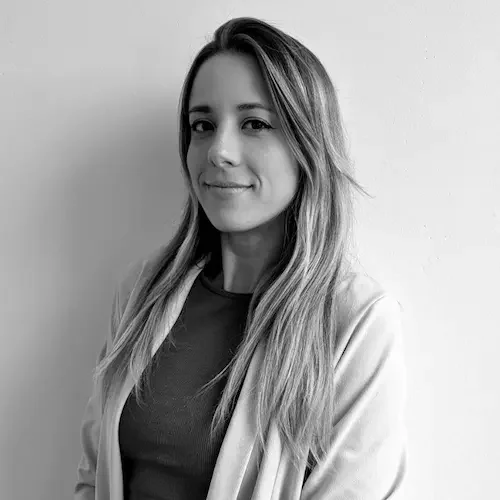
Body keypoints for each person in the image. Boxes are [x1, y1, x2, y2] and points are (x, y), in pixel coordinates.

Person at [74, 16, 408, 500]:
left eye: (255, 123)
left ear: (308, 144)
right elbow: (94, 475)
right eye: (203, 126)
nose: (219, 151)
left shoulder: (355, 322)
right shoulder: (142, 291)